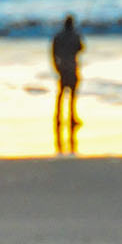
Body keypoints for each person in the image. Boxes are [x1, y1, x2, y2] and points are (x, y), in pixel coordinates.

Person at [52, 15, 84, 154]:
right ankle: (71, 117)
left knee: (61, 94)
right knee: (72, 95)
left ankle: (58, 117)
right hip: (72, 67)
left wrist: (56, 66)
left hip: (62, 68)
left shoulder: (58, 36)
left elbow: (53, 52)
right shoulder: (75, 36)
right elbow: (81, 48)